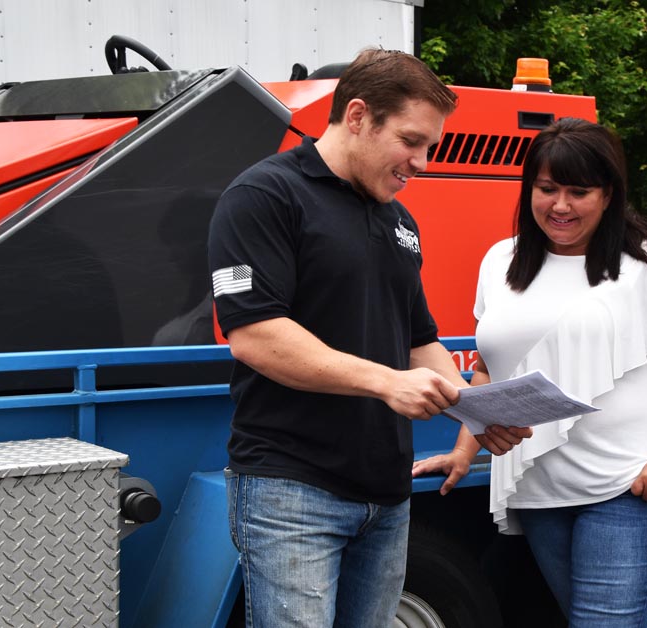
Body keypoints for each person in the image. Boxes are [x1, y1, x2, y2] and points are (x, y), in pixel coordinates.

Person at [208, 48, 529, 628]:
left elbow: (418, 341)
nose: (423, 163)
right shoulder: (263, 196)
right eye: (411, 141)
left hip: (387, 492)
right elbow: (255, 336)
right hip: (291, 489)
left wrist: (479, 414)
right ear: (357, 116)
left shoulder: (399, 221)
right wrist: (387, 384)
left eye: (429, 146)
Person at [413, 117, 647, 626]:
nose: (560, 205)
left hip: (626, 487)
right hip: (540, 490)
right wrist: (464, 448)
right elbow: (490, 368)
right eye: (546, 189)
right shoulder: (502, 260)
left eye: (578, 191)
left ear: (609, 195)